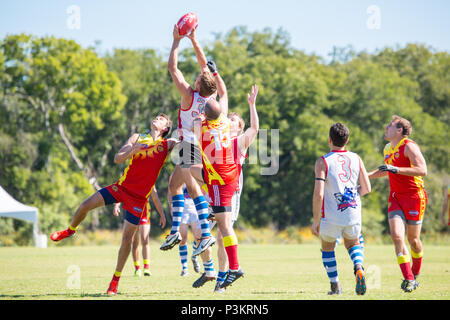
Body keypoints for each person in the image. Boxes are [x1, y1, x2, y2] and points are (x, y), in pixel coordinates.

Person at [50, 114, 178, 295]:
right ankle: (70, 230)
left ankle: (114, 282)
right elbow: (118, 158)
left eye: (162, 119)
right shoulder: (137, 137)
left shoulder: (167, 144)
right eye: (156, 117)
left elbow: (185, 141)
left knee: (126, 240)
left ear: (165, 128)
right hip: (121, 188)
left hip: (139, 199)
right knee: (85, 205)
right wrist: (133, 149)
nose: (157, 118)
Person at [160, 26, 228, 256]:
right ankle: (175, 231)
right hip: (202, 146)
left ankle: (205, 235)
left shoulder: (189, 95)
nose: (197, 75)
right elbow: (205, 67)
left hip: (189, 146)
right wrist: (194, 39)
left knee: (190, 186)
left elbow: (172, 68)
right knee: (173, 185)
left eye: (198, 78)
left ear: (198, 85)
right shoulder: (212, 97)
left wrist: (176, 41)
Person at [193, 84, 259, 290]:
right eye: (227, 117)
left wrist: (252, 105)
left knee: (223, 234)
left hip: (229, 189)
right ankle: (212, 270)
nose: (229, 120)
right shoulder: (217, 129)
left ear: (239, 128)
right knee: (188, 171)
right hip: (218, 183)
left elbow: (254, 129)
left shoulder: (238, 141)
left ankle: (223, 278)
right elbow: (219, 105)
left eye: (234, 120)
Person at [368, 115, 427, 293]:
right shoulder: (387, 148)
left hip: (414, 197)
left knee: (413, 240)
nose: (386, 128)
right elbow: (385, 171)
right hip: (395, 197)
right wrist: (365, 176)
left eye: (390, 125)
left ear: (399, 130)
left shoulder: (409, 146)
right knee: (396, 237)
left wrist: (396, 169)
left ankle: (415, 275)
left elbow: (422, 170)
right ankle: (409, 279)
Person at [311, 122, 371, 296]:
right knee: (353, 242)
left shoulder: (322, 162)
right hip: (352, 213)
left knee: (327, 247)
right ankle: (358, 266)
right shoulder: (356, 158)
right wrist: (351, 194)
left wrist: (316, 220)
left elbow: (319, 194)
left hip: (331, 216)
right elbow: (366, 188)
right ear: (347, 140)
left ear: (330, 140)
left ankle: (335, 285)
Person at [167, 177, 216, 285]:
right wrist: (172, 206)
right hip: (182, 207)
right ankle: (184, 268)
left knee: (198, 236)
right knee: (183, 238)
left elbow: (202, 189)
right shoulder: (177, 173)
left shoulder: (195, 171)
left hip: (195, 206)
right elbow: (171, 191)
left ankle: (194, 256)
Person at [112, 187, 166, 277]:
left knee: (145, 239)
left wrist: (162, 214)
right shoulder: (131, 177)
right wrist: (116, 205)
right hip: (132, 212)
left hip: (144, 215)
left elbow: (155, 198)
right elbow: (121, 191)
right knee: (135, 242)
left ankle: (146, 267)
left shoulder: (150, 180)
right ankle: (137, 268)